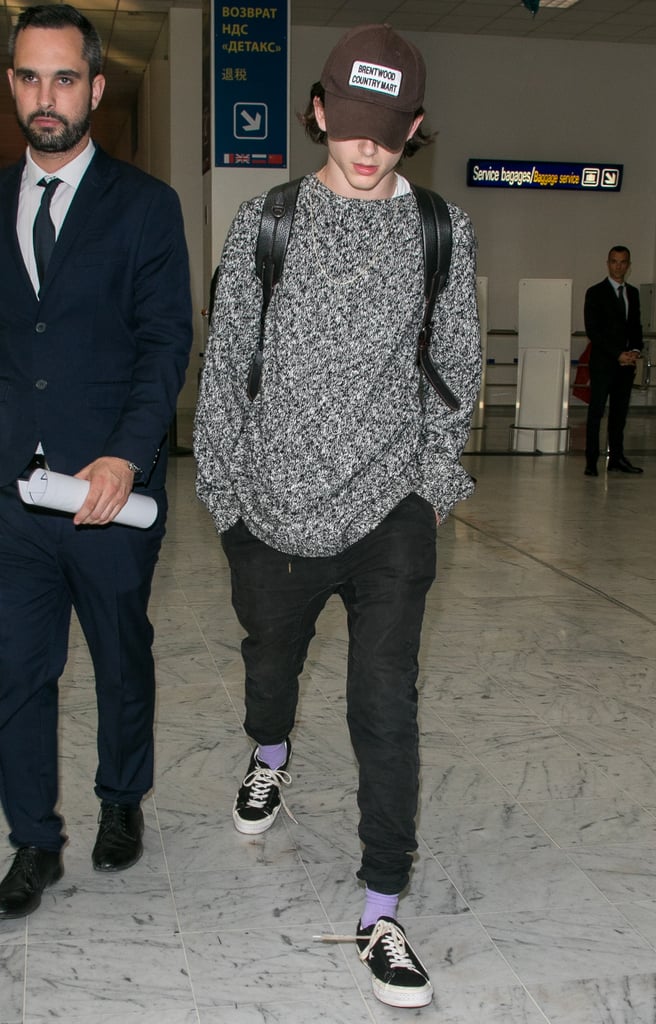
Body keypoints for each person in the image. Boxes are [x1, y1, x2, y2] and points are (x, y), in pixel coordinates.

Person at [194, 23, 480, 1009]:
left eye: (388, 133)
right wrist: (229, 501)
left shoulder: (442, 229)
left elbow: (456, 369)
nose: (365, 151)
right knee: (270, 665)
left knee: (382, 703)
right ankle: (266, 750)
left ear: (412, 129)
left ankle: (380, 910)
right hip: (270, 512)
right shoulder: (266, 221)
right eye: (349, 127)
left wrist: (431, 486)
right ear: (317, 112)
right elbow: (226, 365)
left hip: (388, 512)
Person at [0, 4, 192, 919]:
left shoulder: (147, 208)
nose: (48, 98)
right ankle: (33, 841)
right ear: (12, 83)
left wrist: (125, 454)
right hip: (10, 498)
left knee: (121, 657)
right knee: (16, 672)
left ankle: (122, 801)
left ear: (95, 87)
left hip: (111, 496)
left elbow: (164, 344)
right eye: (31, 77)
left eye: (65, 78)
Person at [584, 246, 643, 476]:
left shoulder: (634, 294)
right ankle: (591, 461)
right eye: (614, 262)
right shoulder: (595, 292)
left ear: (628, 265)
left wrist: (635, 350)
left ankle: (617, 458)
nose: (618, 266)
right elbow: (594, 331)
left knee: (620, 413)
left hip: (626, 365)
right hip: (603, 364)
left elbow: (636, 326)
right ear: (608, 263)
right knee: (596, 412)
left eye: (623, 262)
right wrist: (617, 353)